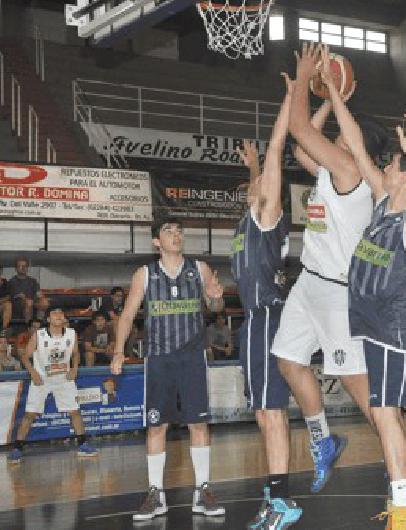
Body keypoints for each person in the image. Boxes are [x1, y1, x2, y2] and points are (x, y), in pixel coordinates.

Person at [272, 42, 389, 495]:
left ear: (358, 148)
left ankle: (400, 454)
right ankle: (323, 440)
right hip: (308, 284)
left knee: (357, 387)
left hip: (337, 292)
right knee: (287, 360)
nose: (341, 135)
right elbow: (303, 150)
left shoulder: (349, 171)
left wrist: (305, 81)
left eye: (347, 132)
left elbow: (299, 130)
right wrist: (325, 96)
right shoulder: (332, 168)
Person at [327, 67, 406, 525]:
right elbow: (352, 141)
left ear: (404, 179)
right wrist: (334, 92)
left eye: (392, 166)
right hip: (372, 322)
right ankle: (402, 501)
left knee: (385, 411)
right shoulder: (380, 204)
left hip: (395, 324)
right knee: (385, 411)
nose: (385, 166)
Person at [110, 217, 226, 521]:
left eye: (179, 231)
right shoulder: (145, 274)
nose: (176, 235)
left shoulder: (199, 269)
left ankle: (203, 490)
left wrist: (216, 299)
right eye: (169, 232)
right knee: (156, 425)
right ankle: (155, 494)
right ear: (156, 242)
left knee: (198, 424)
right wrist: (119, 350)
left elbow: (215, 309)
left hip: (192, 357)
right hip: (159, 358)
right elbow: (127, 315)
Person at [231, 75, 303, 530]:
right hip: (252, 323)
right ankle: (274, 494)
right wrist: (253, 165)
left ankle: (282, 500)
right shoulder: (246, 222)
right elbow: (260, 175)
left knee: (272, 413)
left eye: (258, 185)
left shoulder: (267, 217)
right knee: (262, 413)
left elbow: (278, 151)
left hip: (267, 318)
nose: (253, 187)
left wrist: (292, 97)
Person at [8, 307, 97, 463]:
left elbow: (76, 353)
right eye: (54, 314)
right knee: (30, 414)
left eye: (61, 313)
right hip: (41, 378)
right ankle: (17, 448)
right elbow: (24, 356)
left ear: (63, 319)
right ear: (48, 319)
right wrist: (33, 373)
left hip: (63, 378)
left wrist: (74, 368)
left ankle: (83, 444)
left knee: (75, 411)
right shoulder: (39, 335)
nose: (58, 315)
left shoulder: (71, 334)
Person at [3, 257, 42, 330]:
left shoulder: (33, 281)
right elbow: (7, 298)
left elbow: (38, 296)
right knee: (27, 302)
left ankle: (35, 326)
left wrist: (35, 299)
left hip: (31, 308)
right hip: (15, 310)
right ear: (16, 268)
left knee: (35, 302)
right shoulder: (11, 282)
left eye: (24, 266)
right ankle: (29, 328)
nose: (22, 268)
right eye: (20, 266)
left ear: (27, 268)